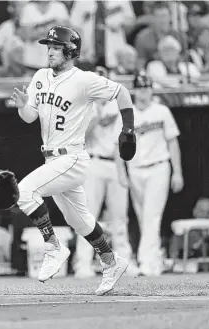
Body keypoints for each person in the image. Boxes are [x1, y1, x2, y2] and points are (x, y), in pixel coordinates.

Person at [10, 26, 136, 295]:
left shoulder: (84, 80)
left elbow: (122, 93)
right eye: (49, 47)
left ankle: (53, 247)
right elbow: (30, 117)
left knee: (24, 191)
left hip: (72, 157)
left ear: (70, 50)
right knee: (80, 222)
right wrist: (23, 105)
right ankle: (111, 261)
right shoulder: (41, 76)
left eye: (55, 47)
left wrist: (128, 129)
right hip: (51, 158)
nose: (50, 51)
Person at [114, 73, 184, 277]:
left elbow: (173, 142)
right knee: (143, 216)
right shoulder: (127, 114)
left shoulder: (162, 111)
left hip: (159, 167)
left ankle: (146, 261)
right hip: (135, 169)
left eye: (147, 87)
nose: (144, 91)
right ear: (135, 90)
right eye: (140, 87)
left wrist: (177, 172)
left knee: (151, 215)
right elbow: (118, 145)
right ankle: (154, 259)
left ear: (152, 89)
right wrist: (122, 172)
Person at [74, 67, 137, 278]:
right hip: (92, 162)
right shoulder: (83, 105)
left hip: (114, 163)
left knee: (119, 216)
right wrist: (96, 112)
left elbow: (119, 141)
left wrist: (122, 172)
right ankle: (82, 264)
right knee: (88, 216)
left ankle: (125, 261)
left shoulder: (117, 106)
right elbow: (81, 136)